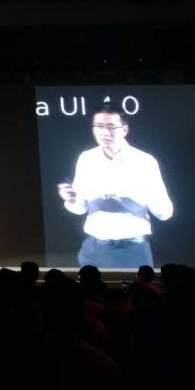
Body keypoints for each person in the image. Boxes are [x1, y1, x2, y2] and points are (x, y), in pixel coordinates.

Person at [57, 102, 173, 269]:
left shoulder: (144, 162)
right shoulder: (87, 159)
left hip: (133, 249)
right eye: (99, 126)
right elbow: (80, 208)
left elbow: (165, 213)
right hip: (94, 247)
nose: (104, 132)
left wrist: (130, 197)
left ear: (124, 129)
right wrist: (71, 198)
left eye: (111, 126)